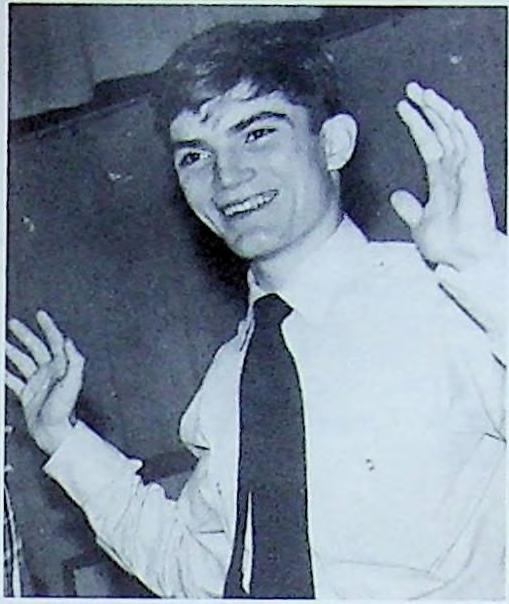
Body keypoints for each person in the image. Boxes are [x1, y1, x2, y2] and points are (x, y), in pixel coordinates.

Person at [5, 21, 506, 599]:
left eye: (257, 133)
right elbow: (196, 571)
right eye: (195, 155)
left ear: (333, 144)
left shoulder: (455, 302)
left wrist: (486, 269)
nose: (228, 176)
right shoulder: (229, 379)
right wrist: (64, 439)